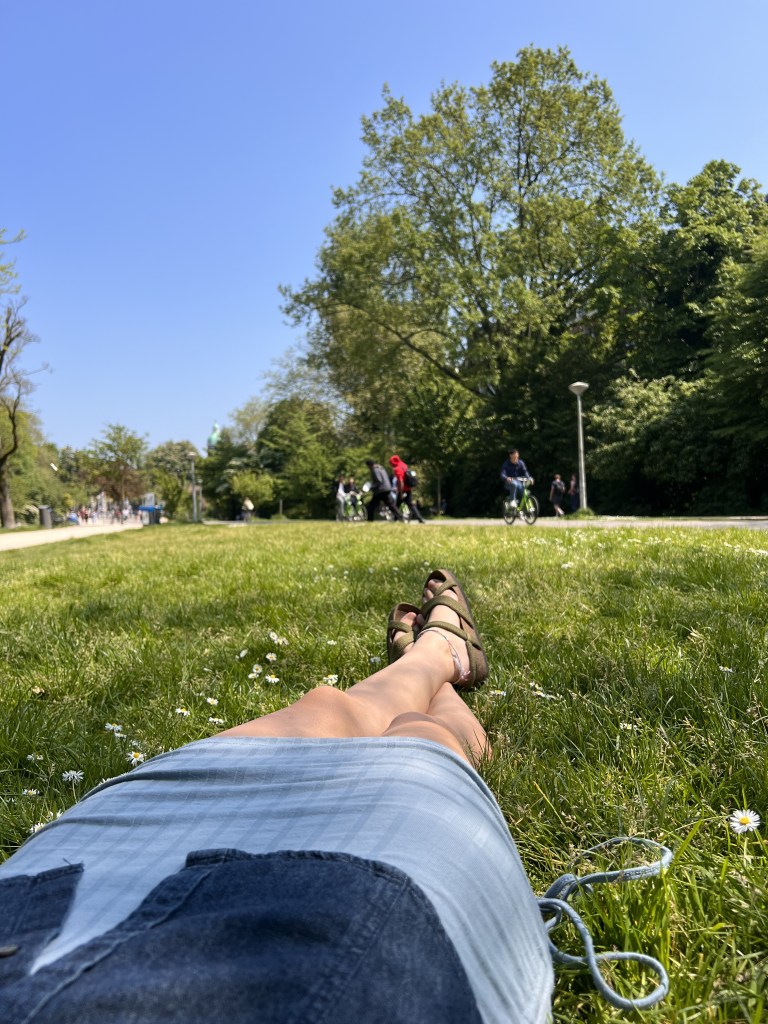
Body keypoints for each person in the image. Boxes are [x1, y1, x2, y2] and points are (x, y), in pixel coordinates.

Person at [0, 570, 553, 1023]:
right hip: (359, 911)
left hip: (77, 873)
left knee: (325, 707)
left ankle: (428, 660)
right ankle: (437, 660)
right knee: (421, 735)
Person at [389, 454, 425, 523]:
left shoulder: (397, 469)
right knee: (410, 505)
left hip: (403, 490)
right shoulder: (403, 465)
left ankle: (397, 519)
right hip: (408, 489)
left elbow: (400, 481)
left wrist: (400, 492)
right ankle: (420, 519)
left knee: (397, 505)